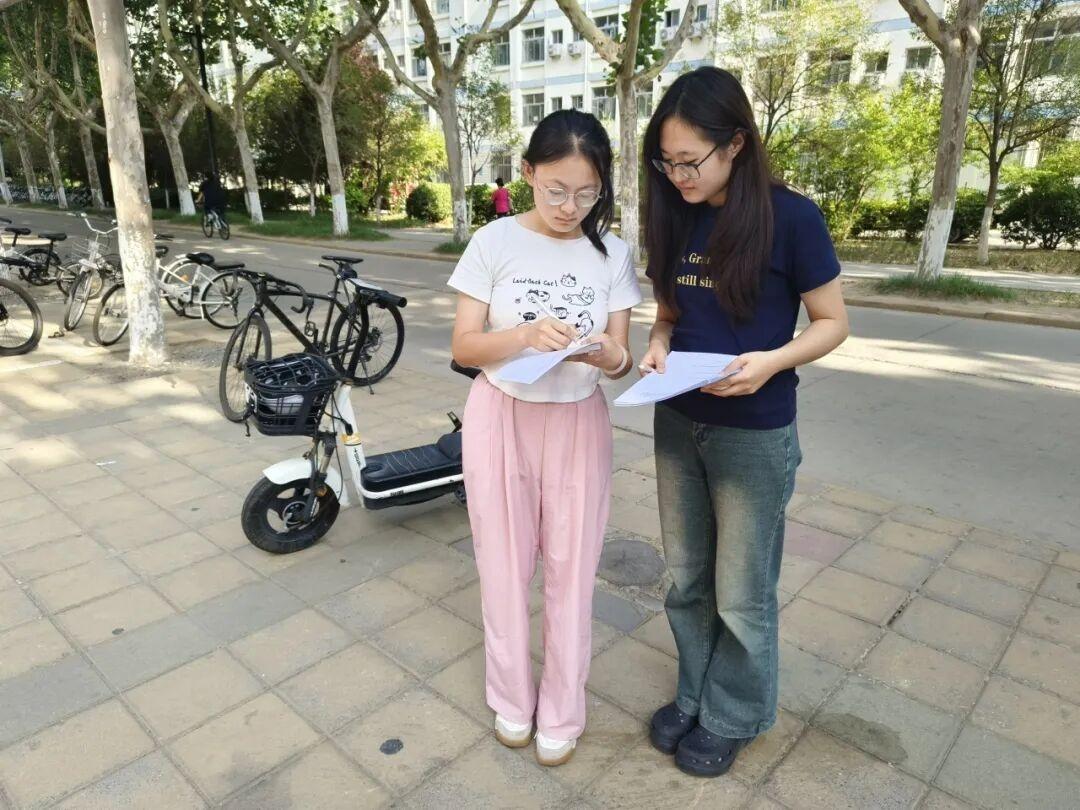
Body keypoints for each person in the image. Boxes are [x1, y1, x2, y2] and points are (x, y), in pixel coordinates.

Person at [639, 67, 849, 777]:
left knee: (741, 590)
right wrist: (658, 343)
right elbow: (670, 313)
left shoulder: (793, 219)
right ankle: (695, 693)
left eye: (689, 161)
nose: (677, 177)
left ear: (735, 143)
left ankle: (734, 712)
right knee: (686, 576)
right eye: (665, 163)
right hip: (679, 420)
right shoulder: (677, 211)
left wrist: (771, 362)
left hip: (754, 432)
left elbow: (832, 322)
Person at [449, 110, 642, 767]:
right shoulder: (494, 242)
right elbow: (465, 346)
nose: (569, 207)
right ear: (528, 173)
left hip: (578, 422)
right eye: (556, 189)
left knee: (572, 572)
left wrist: (605, 355)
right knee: (503, 567)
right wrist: (525, 336)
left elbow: (621, 358)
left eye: (586, 193)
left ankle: (562, 710)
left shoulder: (612, 253)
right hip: (500, 415)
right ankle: (511, 698)